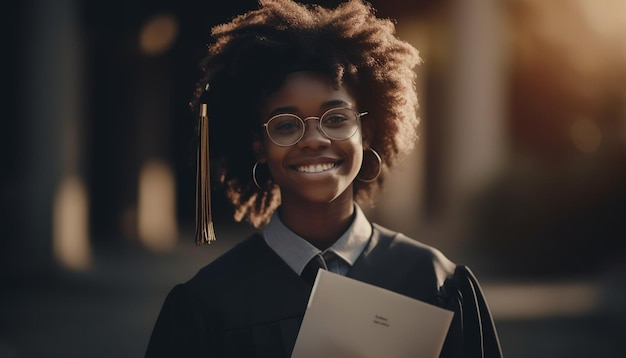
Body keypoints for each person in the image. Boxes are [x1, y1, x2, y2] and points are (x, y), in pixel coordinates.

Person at [145, 0, 503, 357]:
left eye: (335, 119)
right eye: (286, 125)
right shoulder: (209, 303)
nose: (315, 139)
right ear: (259, 146)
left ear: (365, 132)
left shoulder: (433, 281)